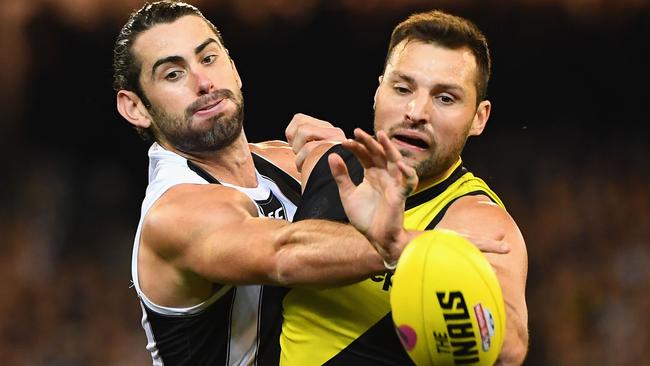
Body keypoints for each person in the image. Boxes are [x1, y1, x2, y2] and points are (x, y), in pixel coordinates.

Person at [112, 2, 510, 365]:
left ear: (233, 66)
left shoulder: (287, 159)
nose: (202, 81)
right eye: (173, 73)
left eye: (209, 57)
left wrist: (338, 155)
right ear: (135, 107)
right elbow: (284, 253)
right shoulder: (174, 211)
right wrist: (411, 248)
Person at [281, 10, 529, 365]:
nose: (416, 111)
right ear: (377, 91)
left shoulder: (476, 221)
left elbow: (509, 349)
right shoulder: (328, 163)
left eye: (445, 98)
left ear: (479, 118)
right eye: (402, 88)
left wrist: (402, 248)